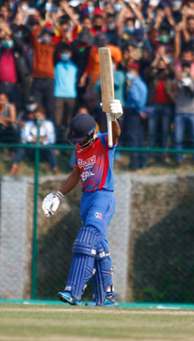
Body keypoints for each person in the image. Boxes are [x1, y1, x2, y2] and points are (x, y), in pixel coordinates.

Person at [43, 98, 123, 307]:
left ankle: (73, 291)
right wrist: (59, 195)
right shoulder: (80, 149)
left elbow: (116, 134)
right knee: (99, 249)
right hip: (86, 199)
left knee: (85, 241)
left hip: (102, 196)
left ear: (91, 134)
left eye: (80, 138)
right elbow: (76, 174)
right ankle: (106, 297)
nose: (76, 142)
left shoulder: (104, 141)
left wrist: (114, 119)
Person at [9, 107, 58, 175]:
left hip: (43, 151)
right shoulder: (29, 123)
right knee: (21, 144)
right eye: (35, 116)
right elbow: (23, 136)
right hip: (31, 150)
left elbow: (52, 139)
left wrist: (37, 140)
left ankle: (55, 169)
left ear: (43, 117)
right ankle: (14, 166)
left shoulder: (49, 124)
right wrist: (40, 139)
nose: (36, 118)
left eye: (38, 116)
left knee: (50, 147)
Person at [171, 62, 194, 166]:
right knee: (178, 138)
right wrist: (178, 79)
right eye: (184, 69)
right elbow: (172, 89)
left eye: (188, 69)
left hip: (193, 112)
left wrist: (193, 80)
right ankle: (179, 160)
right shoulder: (178, 80)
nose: (186, 71)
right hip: (179, 111)